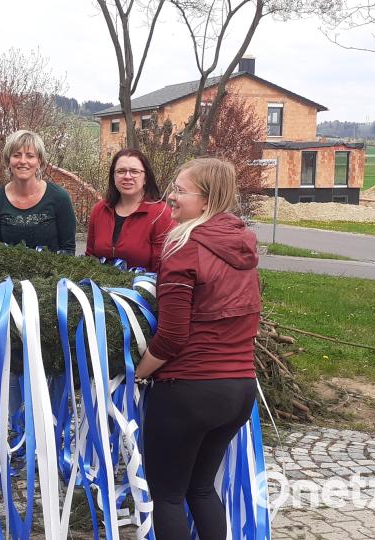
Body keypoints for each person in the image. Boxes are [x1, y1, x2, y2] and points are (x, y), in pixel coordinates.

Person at [134, 158, 261, 540]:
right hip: (239, 389)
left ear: (205, 201)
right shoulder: (242, 245)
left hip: (189, 391)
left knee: (168, 497)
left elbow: (172, 337)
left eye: (179, 190)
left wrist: (139, 373)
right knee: (201, 488)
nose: (170, 196)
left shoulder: (184, 248)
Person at [0, 130, 76, 254]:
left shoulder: (59, 198)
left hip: (54, 273)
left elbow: (68, 249)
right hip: (7, 273)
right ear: (8, 161)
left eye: (30, 156)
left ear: (39, 162)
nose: (23, 161)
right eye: (16, 155)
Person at [85, 148, 173, 271]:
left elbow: (162, 266)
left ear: (146, 178)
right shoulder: (99, 210)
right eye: (120, 171)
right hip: (100, 286)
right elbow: (90, 257)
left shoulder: (161, 213)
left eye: (134, 171)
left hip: (143, 287)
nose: (127, 176)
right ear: (113, 177)